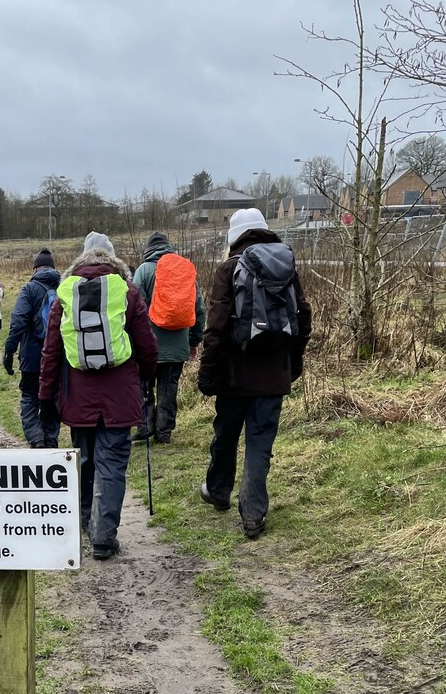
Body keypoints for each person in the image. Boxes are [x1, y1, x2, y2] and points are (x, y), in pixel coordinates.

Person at [38, 231, 158, 560]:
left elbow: (51, 352)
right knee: (113, 464)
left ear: (82, 257)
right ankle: (104, 537)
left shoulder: (65, 294)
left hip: (78, 398)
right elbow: (147, 346)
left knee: (85, 459)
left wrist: (45, 397)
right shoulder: (128, 291)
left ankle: (85, 520)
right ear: (113, 258)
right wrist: (145, 378)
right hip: (120, 397)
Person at [197, 207, 312, 539]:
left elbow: (216, 329)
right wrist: (294, 363)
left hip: (234, 377)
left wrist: (208, 372)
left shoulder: (228, 269)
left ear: (234, 236)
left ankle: (218, 491)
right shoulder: (286, 265)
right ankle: (253, 514)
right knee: (260, 444)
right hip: (273, 376)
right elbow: (303, 318)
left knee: (226, 435)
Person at [131, 231, 206, 444]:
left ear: (148, 250)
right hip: (177, 346)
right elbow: (198, 310)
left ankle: (145, 428)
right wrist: (194, 341)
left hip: (147, 345)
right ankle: (164, 432)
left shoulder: (143, 271)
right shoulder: (183, 271)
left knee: (144, 384)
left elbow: (134, 309)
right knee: (169, 387)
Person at [3, 248, 61, 447]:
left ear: (34, 268)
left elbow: (18, 321)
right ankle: (51, 443)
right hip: (56, 358)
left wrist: (9, 351)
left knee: (29, 398)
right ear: (53, 268)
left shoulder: (29, 289)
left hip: (31, 357)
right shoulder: (63, 288)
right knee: (51, 399)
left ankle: (37, 440)